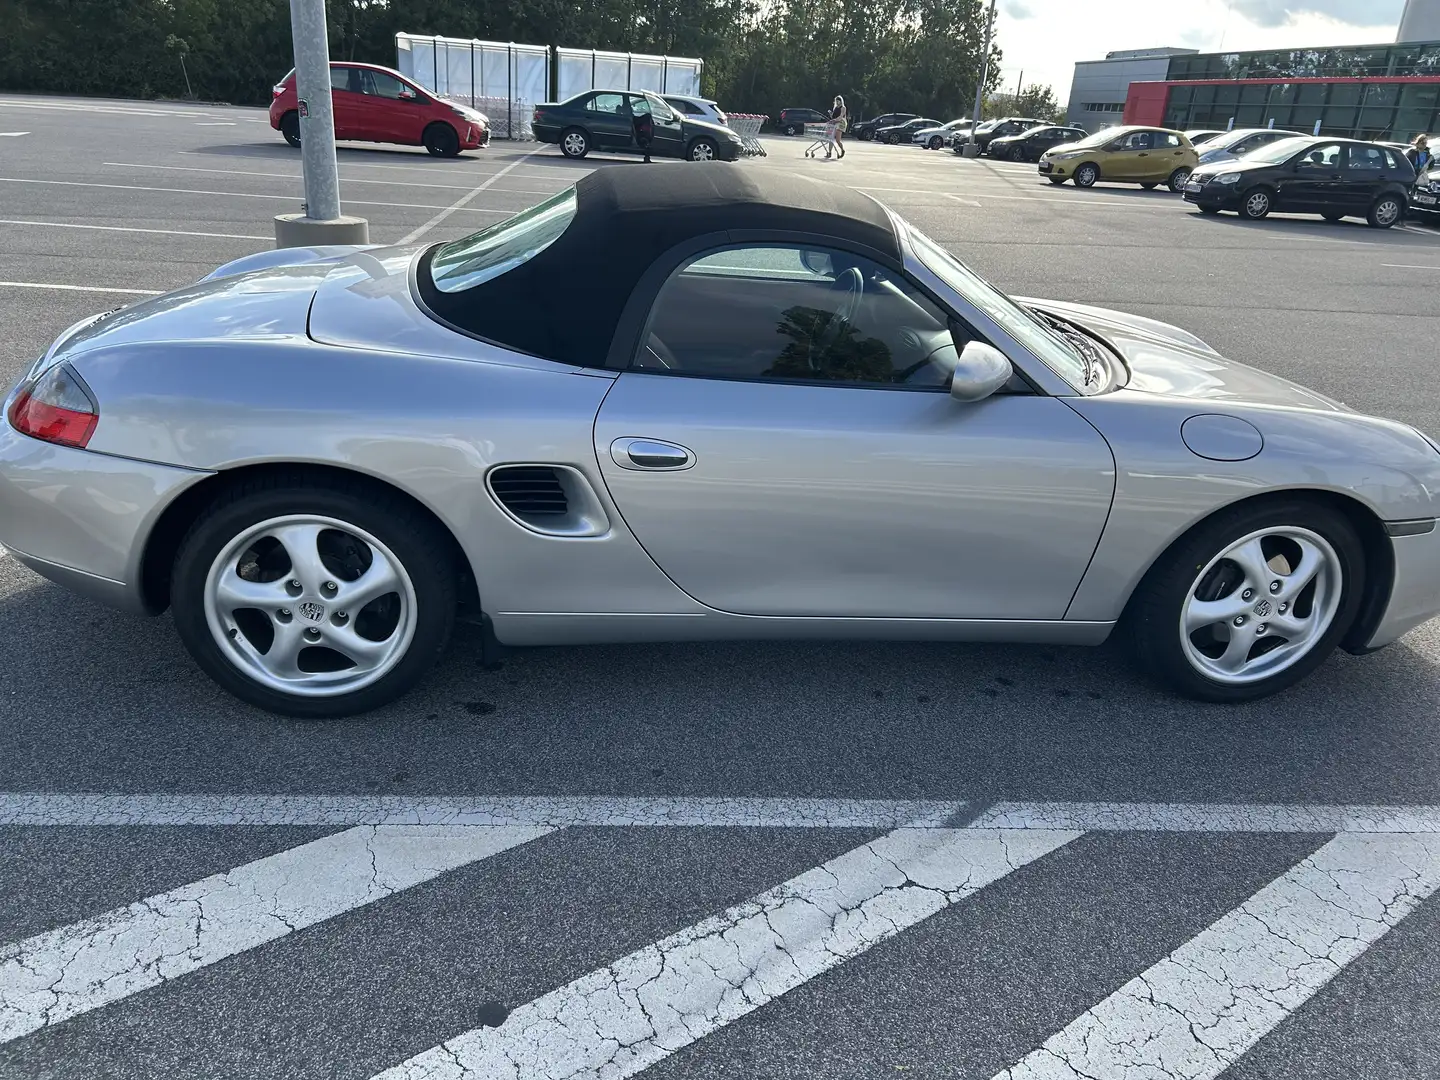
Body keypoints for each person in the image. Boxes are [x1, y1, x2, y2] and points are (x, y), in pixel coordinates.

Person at [631, 99, 654, 163]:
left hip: (641, 134)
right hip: (641, 136)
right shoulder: (639, 121)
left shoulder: (638, 120)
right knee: (646, 142)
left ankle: (647, 156)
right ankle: (647, 157)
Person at [828, 95, 847, 159]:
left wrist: (834, 120)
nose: (837, 102)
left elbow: (841, 116)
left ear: (841, 101)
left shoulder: (843, 108)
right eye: (836, 101)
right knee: (831, 138)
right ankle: (829, 153)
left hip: (841, 124)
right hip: (835, 123)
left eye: (838, 101)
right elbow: (833, 117)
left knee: (837, 140)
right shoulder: (835, 108)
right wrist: (831, 114)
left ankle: (842, 150)